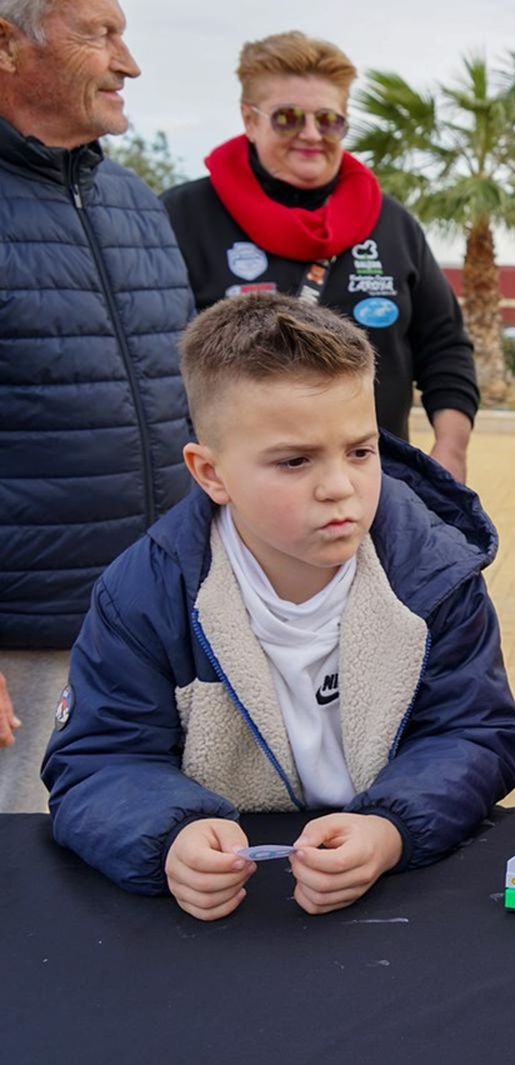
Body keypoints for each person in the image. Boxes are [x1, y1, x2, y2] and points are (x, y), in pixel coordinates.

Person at [42, 295, 515, 920]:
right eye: (294, 461)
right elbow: (97, 758)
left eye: (360, 451)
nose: (339, 486)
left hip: (398, 897)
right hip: (227, 915)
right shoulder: (144, 593)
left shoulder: (438, 575)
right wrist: (171, 837)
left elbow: (475, 734)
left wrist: (389, 829)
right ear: (210, 472)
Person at [0, 0, 194, 812]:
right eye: (99, 35)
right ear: (9, 46)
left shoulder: (137, 203)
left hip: (157, 634)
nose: (130, 64)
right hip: (28, 660)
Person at [162, 31, 477, 481]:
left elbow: (444, 345)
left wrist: (451, 449)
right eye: (287, 118)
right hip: (233, 501)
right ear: (249, 120)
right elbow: (150, 364)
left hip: (377, 493)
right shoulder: (182, 217)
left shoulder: (391, 224)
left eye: (329, 120)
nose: (311, 135)